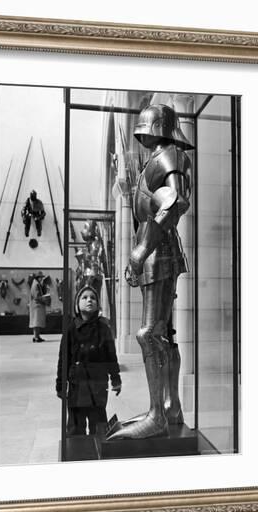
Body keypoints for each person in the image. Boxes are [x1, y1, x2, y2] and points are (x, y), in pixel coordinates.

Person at [108, 104, 193, 440]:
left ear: (160, 127)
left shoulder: (170, 155)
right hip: (156, 248)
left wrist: (141, 252)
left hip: (159, 250)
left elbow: (177, 201)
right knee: (161, 333)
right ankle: (170, 407)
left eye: (147, 128)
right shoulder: (155, 159)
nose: (142, 133)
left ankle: (158, 416)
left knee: (147, 334)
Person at [55, 285, 122, 436]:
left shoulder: (103, 328)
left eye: (93, 298)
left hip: (97, 385)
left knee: (98, 426)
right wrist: (60, 385)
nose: (89, 300)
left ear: (98, 304)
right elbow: (63, 359)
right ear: (77, 304)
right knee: (75, 427)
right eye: (84, 297)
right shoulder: (71, 329)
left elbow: (111, 357)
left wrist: (116, 379)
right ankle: (78, 456)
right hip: (76, 386)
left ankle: (97, 455)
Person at [29, 271, 48, 342]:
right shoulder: (36, 285)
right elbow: (37, 296)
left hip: (37, 306)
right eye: (41, 277)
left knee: (37, 322)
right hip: (36, 306)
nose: (42, 279)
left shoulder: (37, 284)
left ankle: (37, 336)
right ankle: (36, 337)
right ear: (38, 278)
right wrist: (44, 300)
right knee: (36, 322)